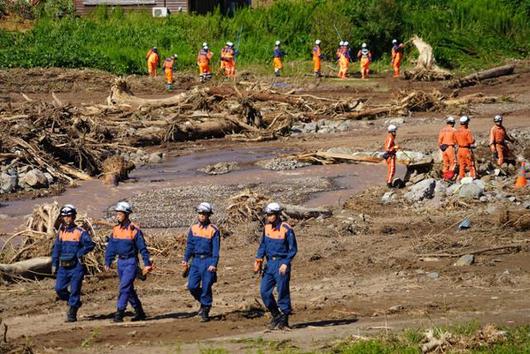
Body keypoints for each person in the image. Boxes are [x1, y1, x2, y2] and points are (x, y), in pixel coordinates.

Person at [105, 202, 153, 323]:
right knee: (128, 289)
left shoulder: (134, 230)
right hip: (120, 262)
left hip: (131, 262)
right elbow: (111, 247)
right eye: (117, 214)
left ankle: (119, 313)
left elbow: (143, 249)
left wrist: (147, 264)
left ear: (126, 215)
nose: (118, 216)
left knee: (124, 287)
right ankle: (140, 312)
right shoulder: (115, 230)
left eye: (120, 214)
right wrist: (108, 261)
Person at [254, 202, 297, 330]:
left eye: (271, 214)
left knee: (282, 291)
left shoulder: (286, 228)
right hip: (269, 264)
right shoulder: (266, 228)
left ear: (277, 215)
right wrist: (258, 259)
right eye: (268, 214)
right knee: (264, 291)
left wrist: (285, 263)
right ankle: (275, 314)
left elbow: (293, 249)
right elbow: (263, 245)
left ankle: (284, 319)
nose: (269, 217)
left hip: (281, 263)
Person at [52, 204, 95, 322]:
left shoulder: (80, 232)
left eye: (69, 216)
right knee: (59, 289)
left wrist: (79, 253)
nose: (67, 219)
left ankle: (72, 314)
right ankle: (74, 303)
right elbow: (56, 249)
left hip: (76, 267)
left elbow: (90, 245)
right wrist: (54, 264)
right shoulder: (61, 232)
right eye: (64, 216)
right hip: (63, 267)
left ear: (74, 217)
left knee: (75, 290)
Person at [182, 202, 220, 322]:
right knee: (192, 286)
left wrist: (214, 264)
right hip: (196, 261)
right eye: (200, 213)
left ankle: (206, 310)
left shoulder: (214, 230)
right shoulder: (193, 229)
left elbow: (216, 249)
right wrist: (185, 259)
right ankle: (204, 303)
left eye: (204, 213)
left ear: (208, 215)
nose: (202, 215)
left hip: (208, 261)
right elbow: (190, 246)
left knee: (206, 286)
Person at [454, 115, 476, 180]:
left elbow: (455, 141)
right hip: (466, 150)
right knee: (471, 164)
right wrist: (474, 140)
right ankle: (473, 177)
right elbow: (471, 141)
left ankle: (461, 177)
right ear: (466, 123)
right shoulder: (467, 131)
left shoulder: (456, 131)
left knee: (461, 165)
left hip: (459, 150)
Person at [438, 116, 457, 181]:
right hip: (450, 147)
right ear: (453, 123)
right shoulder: (454, 130)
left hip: (443, 148)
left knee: (445, 163)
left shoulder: (442, 130)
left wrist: (441, 147)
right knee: (453, 162)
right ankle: (449, 177)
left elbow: (439, 140)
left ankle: (444, 176)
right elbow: (456, 140)